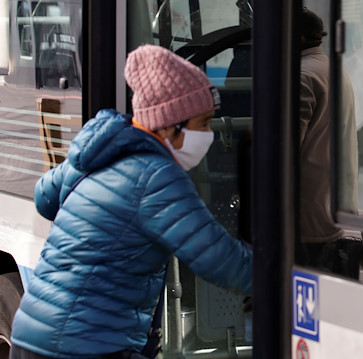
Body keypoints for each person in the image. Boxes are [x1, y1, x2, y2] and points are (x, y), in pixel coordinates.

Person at [10, 45, 252, 358]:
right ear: (169, 123)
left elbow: (45, 197)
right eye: (202, 124)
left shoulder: (102, 152)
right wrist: (289, 275)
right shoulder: (155, 175)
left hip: (34, 335)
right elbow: (218, 258)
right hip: (85, 346)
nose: (208, 135)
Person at [297, 8, 361, 279]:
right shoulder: (333, 69)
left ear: (297, 38)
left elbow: (286, 147)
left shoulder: (302, 76)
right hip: (332, 202)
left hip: (307, 207)